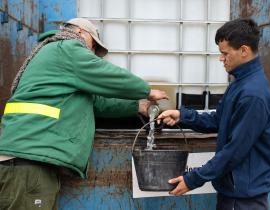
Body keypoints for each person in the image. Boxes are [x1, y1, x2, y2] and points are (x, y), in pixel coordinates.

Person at [0, 18, 167, 210]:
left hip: (25, 161)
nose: (93, 52)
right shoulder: (66, 47)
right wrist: (146, 90)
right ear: (79, 32)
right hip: (28, 164)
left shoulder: (54, 56)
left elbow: (96, 102)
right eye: (94, 44)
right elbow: (105, 74)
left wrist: (137, 107)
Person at [157, 18, 270, 210]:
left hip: (243, 199)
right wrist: (183, 116)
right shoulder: (240, 83)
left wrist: (193, 179)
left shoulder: (253, 94)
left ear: (244, 51)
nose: (221, 58)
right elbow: (218, 120)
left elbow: (234, 151)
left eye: (225, 53)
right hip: (234, 192)